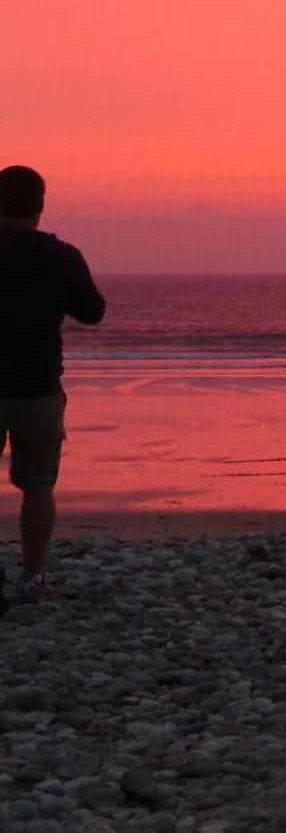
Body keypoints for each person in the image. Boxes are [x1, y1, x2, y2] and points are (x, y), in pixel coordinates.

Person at [0, 166, 105, 610]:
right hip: (37, 385)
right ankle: (30, 576)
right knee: (38, 486)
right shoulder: (61, 256)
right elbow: (92, 311)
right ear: (39, 207)